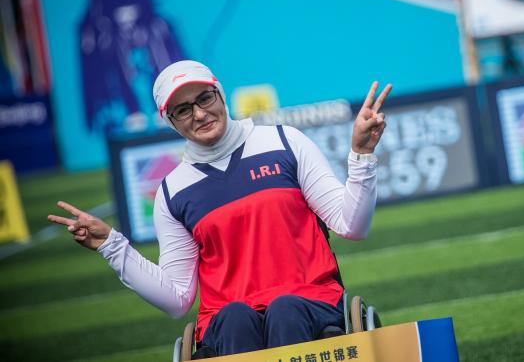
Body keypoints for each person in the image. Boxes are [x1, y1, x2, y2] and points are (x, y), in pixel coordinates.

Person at [47, 60, 392, 357]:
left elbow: (352, 224)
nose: (199, 113)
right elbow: (176, 298)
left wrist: (361, 155)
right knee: (234, 317)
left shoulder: (285, 142)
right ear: (170, 120)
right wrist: (112, 245)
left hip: (311, 303)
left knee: (284, 309)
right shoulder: (171, 192)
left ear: (220, 94)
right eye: (183, 109)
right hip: (226, 322)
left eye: (204, 98)